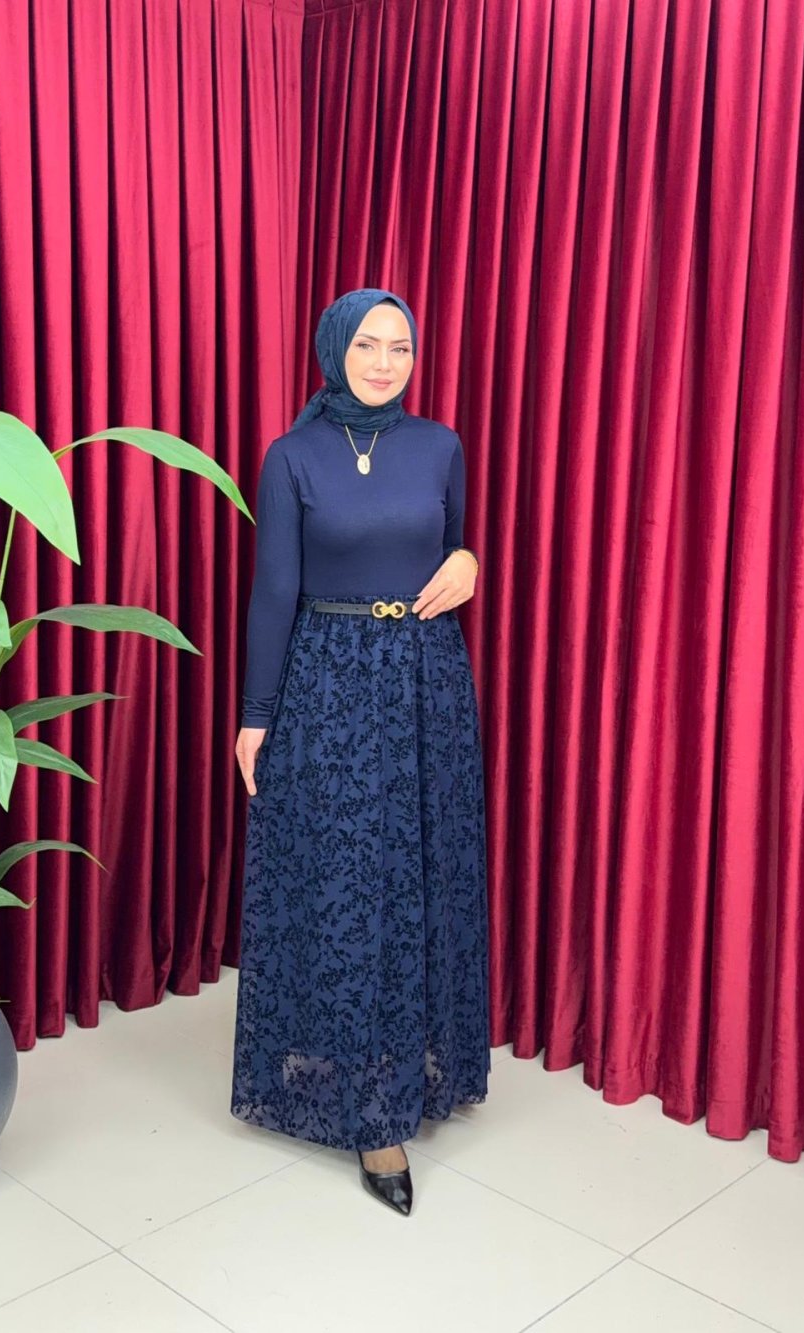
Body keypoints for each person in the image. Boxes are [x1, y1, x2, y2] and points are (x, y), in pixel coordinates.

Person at [231, 287, 489, 1217]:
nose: (384, 362)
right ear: (334, 348)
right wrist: (256, 715)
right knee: (346, 881)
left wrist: (470, 564)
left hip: (426, 679)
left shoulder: (440, 445)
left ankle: (414, 1061)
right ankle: (372, 1113)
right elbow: (274, 591)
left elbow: (453, 548)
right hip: (328, 682)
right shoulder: (292, 456)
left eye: (401, 347)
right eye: (368, 345)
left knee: (419, 872)